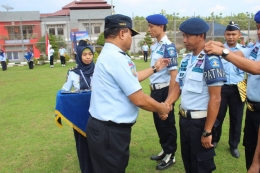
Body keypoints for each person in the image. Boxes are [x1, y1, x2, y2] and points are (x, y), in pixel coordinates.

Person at [86, 14, 171, 173]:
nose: (131, 39)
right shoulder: (116, 58)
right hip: (110, 132)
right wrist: (162, 109)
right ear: (122, 33)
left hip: (105, 129)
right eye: (131, 35)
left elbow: (131, 78)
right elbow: (138, 99)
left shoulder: (110, 54)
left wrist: (154, 68)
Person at [166, 18, 227, 173]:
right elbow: (178, 86)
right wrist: (167, 104)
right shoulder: (186, 59)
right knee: (188, 161)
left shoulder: (211, 60)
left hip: (201, 123)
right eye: (183, 36)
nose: (184, 40)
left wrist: (207, 131)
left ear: (200, 36)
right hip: (185, 121)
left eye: (187, 36)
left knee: (202, 165)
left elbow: (216, 98)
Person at [204, 10, 260, 171]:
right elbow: (240, 54)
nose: (259, 31)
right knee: (250, 150)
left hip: (252, 104)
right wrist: (221, 47)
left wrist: (223, 51)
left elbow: (256, 68)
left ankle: (235, 147)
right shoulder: (257, 45)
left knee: (257, 160)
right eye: (257, 27)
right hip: (252, 108)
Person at [146, 14, 178, 170]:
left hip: (165, 90)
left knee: (167, 123)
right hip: (156, 91)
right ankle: (165, 150)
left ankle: (171, 155)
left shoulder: (168, 46)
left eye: (151, 26)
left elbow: (174, 75)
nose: (149, 29)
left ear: (161, 27)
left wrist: (169, 101)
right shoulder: (156, 45)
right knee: (159, 123)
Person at [212, 21, 245, 158]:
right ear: (224, 35)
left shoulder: (244, 51)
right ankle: (213, 141)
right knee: (217, 117)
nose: (231, 37)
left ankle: (233, 145)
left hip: (238, 88)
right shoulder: (218, 50)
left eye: (234, 34)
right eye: (228, 34)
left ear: (239, 35)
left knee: (236, 119)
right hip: (222, 88)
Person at [61, 39, 94, 173]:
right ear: (79, 56)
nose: (88, 57)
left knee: (99, 145)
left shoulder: (99, 69)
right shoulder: (73, 73)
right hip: (80, 117)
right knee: (83, 146)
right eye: (84, 54)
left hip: (98, 114)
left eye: (90, 54)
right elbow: (64, 91)